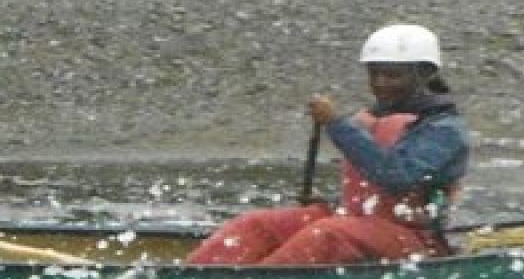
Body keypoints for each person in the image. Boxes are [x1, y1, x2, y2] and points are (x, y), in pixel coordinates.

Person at [188, 23, 469, 266]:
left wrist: (335, 124)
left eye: (393, 75)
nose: (381, 83)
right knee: (258, 224)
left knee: (328, 233)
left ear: (425, 74)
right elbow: (371, 193)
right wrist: (333, 203)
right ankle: (194, 276)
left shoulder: (443, 130)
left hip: (415, 240)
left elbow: (396, 177)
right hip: (358, 222)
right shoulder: (378, 116)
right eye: (374, 74)